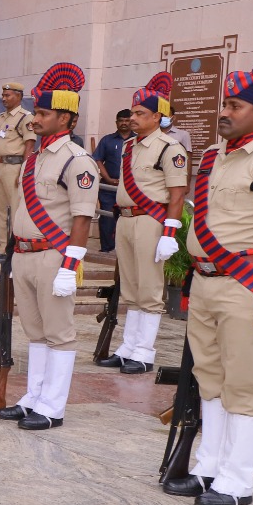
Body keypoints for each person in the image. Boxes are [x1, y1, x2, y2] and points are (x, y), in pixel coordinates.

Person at [163, 65, 253, 505]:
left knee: (243, 383)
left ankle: (238, 480)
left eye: (235, 106)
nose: (224, 112)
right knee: (210, 378)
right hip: (206, 280)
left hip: (245, 284)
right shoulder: (215, 156)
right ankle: (209, 467)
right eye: (225, 104)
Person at [0, 65, 97, 432]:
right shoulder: (34, 157)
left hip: (54, 254)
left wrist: (72, 266)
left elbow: (83, 218)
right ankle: (33, 398)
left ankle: (53, 406)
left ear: (65, 118)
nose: (35, 119)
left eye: (42, 114)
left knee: (59, 332)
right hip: (24, 254)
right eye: (36, 113)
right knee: (35, 332)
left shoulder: (76, 160)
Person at [95, 76, 187, 374]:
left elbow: (177, 193)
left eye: (139, 114)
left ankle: (144, 352)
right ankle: (127, 348)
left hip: (150, 220)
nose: (132, 118)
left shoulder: (169, 148)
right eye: (132, 113)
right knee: (131, 288)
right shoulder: (131, 146)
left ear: (157, 117)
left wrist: (169, 232)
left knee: (148, 288)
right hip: (127, 219)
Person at [0, 81, 36, 262]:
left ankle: (13, 249)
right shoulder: (0, 117)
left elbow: (29, 144)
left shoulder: (25, 117)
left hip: (14, 167)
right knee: (0, 209)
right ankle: (2, 247)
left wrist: (24, 170)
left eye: (8, 95)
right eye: (3, 95)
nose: (4, 98)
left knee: (14, 209)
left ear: (18, 96)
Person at [91, 109, 134, 253]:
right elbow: (97, 159)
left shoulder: (138, 140)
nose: (124, 123)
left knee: (129, 217)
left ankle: (125, 250)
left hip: (131, 187)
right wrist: (108, 178)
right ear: (116, 122)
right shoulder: (107, 140)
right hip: (108, 188)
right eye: (121, 120)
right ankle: (107, 248)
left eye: (127, 120)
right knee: (107, 218)